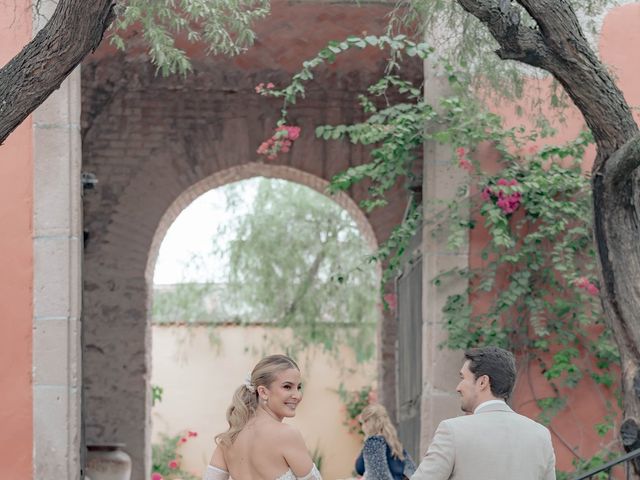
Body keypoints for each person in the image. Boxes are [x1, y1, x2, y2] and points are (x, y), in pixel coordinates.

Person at [411, 346, 556, 480]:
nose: (458, 387)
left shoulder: (452, 431)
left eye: (463, 378)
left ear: (483, 382)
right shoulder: (540, 435)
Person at [203, 354, 322, 480]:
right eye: (287, 387)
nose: (297, 395)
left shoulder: (229, 438)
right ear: (263, 392)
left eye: (298, 387)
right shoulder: (287, 434)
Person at [355, 404, 417, 480]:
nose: (363, 427)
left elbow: (379, 477)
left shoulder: (373, 443)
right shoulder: (395, 444)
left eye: (363, 422)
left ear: (368, 421)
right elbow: (414, 472)